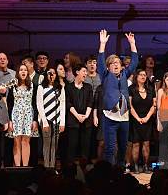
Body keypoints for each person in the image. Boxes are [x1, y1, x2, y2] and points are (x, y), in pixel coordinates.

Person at [97, 30, 138, 166]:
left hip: (124, 118)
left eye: (118, 63)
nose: (116, 64)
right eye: (112, 63)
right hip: (110, 118)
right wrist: (103, 44)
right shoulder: (106, 75)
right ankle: (109, 174)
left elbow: (134, 62)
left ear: (121, 66)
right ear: (108, 67)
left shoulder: (125, 74)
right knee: (109, 149)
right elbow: (100, 61)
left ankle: (119, 172)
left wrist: (132, 44)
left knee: (123, 149)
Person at [6, 64, 38, 167]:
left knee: (26, 141)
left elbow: (35, 104)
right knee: (16, 141)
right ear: (18, 72)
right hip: (16, 115)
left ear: (27, 73)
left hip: (28, 114)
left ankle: (25, 167)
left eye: (25, 70)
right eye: (21, 70)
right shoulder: (13, 86)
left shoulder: (33, 86)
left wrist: (35, 120)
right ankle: (17, 167)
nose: (23, 72)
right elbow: (9, 104)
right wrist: (10, 120)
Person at [36, 68, 66, 169]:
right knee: (47, 143)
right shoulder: (41, 87)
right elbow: (39, 104)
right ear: (46, 75)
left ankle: (52, 166)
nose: (51, 75)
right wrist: (44, 121)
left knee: (55, 144)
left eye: (53, 73)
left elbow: (62, 104)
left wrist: (62, 122)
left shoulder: (60, 88)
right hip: (46, 119)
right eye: (49, 73)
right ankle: (46, 166)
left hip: (57, 119)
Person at [65, 64, 93, 164]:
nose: (86, 73)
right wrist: (77, 115)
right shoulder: (69, 87)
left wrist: (86, 116)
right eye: (84, 71)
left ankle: (84, 169)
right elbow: (68, 103)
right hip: (73, 120)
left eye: (86, 72)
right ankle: (69, 169)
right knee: (72, 145)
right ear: (77, 72)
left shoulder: (88, 87)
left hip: (86, 120)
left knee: (85, 146)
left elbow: (90, 102)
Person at [129, 69, 156, 172]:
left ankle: (145, 165)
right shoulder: (131, 89)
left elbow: (153, 105)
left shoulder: (150, 89)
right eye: (140, 74)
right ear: (136, 76)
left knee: (146, 143)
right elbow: (130, 106)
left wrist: (147, 117)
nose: (143, 76)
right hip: (135, 119)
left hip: (147, 119)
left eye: (145, 75)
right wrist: (138, 118)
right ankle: (135, 166)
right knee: (135, 143)